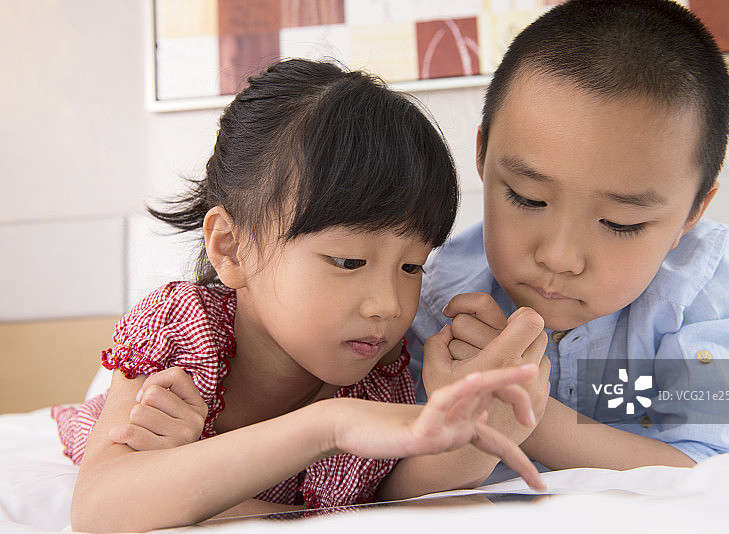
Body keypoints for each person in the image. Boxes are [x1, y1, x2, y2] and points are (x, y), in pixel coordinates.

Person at [52, 59, 548, 533]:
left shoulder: (375, 370)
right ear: (232, 248)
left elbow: (387, 501)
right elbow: (98, 506)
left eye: (411, 266)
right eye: (348, 262)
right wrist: (328, 426)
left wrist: (476, 436)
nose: (389, 305)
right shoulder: (181, 335)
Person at [406, 0, 729, 478]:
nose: (558, 257)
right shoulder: (431, 297)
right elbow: (383, 477)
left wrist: (517, 408)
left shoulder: (700, 297)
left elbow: (722, 472)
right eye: (527, 198)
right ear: (482, 154)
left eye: (621, 223)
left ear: (693, 213)